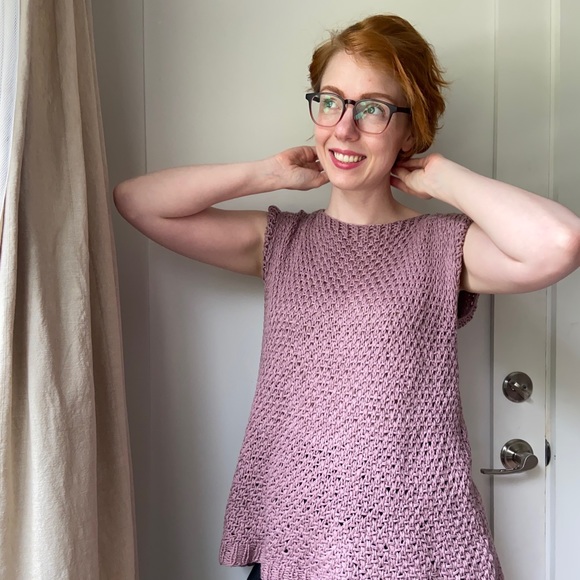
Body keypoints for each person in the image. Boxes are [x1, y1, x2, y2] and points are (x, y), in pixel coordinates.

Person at [114, 14, 580, 580]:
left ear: (410, 128)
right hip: (294, 543)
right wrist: (268, 174)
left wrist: (442, 179)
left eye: (372, 109)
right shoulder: (281, 241)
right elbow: (137, 202)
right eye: (331, 102)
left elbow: (559, 243)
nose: (344, 128)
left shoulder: (441, 247)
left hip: (409, 549)